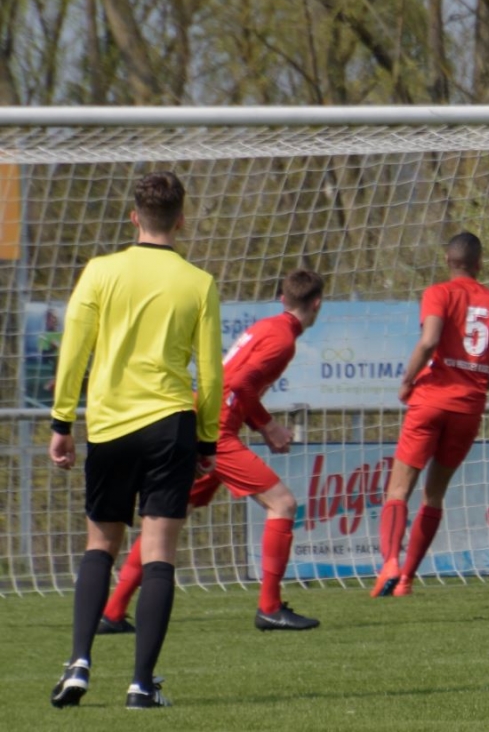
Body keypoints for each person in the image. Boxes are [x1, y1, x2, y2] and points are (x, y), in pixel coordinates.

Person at [48, 171, 222, 710]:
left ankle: (79, 662)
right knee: (159, 554)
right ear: (181, 220)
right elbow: (211, 373)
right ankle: (141, 685)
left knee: (100, 546)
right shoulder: (199, 282)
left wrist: (61, 422)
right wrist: (207, 440)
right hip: (171, 424)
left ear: (134, 218)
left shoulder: (100, 271)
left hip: (110, 426)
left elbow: (74, 350)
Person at [98, 269, 325, 634]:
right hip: (216, 432)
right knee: (282, 504)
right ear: (317, 304)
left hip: (201, 421)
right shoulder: (283, 340)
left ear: (283, 299)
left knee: (168, 519)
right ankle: (269, 608)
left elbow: (233, 381)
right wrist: (268, 425)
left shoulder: (266, 327)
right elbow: (239, 383)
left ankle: (112, 612)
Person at [371, 231, 489, 598]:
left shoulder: (438, 293)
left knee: (398, 489)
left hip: (430, 401)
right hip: (468, 409)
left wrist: (407, 381)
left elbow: (430, 341)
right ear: (480, 263)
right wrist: (472, 384)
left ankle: (390, 563)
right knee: (434, 495)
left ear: (448, 261)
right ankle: (406, 580)